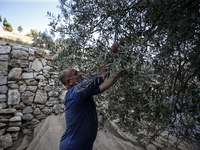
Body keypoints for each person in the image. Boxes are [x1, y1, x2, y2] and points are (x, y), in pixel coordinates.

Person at [59, 42, 123, 150]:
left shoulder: (81, 94)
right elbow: (99, 76)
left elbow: (101, 87)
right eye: (76, 73)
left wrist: (117, 74)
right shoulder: (75, 92)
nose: (80, 74)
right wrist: (112, 52)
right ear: (69, 82)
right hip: (71, 147)